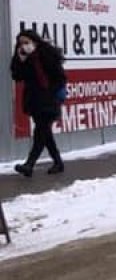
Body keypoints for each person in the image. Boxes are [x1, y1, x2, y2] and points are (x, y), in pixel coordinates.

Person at [10, 29, 67, 176]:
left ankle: (29, 164)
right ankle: (58, 162)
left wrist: (51, 92)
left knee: (40, 131)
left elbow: (60, 77)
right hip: (35, 100)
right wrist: (20, 61)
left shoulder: (46, 53)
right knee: (45, 133)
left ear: (34, 41)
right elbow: (17, 76)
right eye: (21, 43)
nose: (24, 45)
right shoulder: (22, 57)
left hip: (49, 99)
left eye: (26, 42)